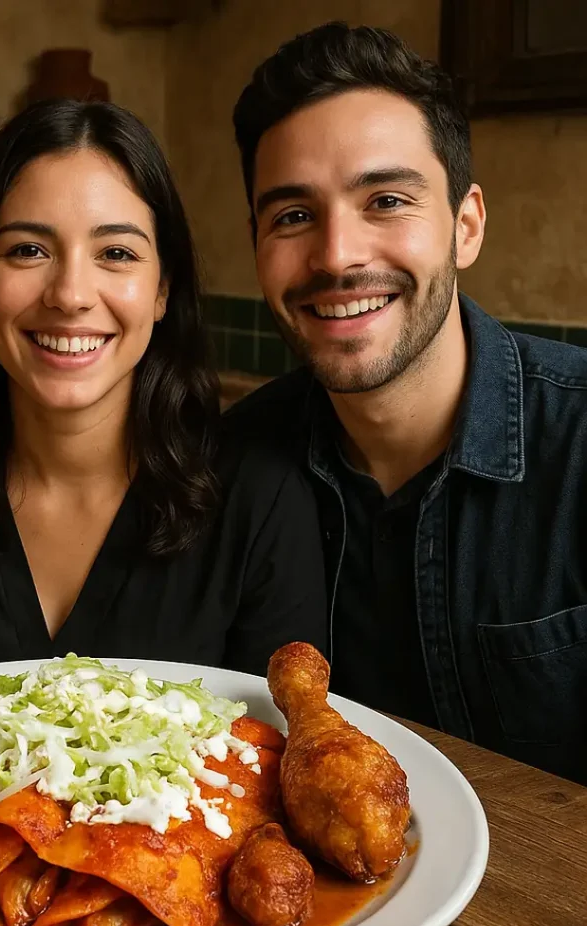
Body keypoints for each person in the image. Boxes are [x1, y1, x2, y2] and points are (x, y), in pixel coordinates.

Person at [227, 22, 586, 783]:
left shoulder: (580, 442)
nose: (336, 255)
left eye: (386, 200)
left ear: (466, 225)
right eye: (293, 216)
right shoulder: (229, 466)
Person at [0, 99, 326, 685]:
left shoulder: (259, 503)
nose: (70, 294)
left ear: (162, 289)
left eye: (116, 253)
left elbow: (286, 748)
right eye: (27, 250)